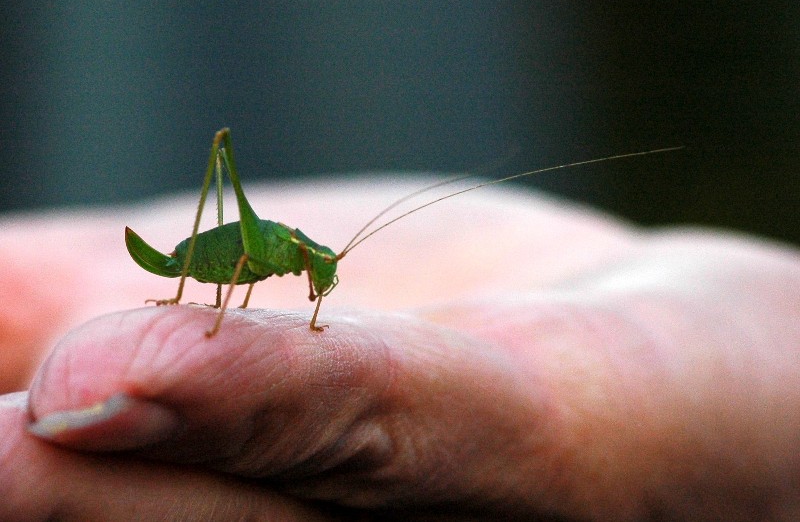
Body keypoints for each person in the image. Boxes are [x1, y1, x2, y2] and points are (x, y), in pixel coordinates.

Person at [1, 176, 798, 521]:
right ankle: (182, 290)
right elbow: (250, 257)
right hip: (203, 261)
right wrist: (198, 297)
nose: (320, 279)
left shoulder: (306, 257)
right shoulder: (278, 247)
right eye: (322, 272)